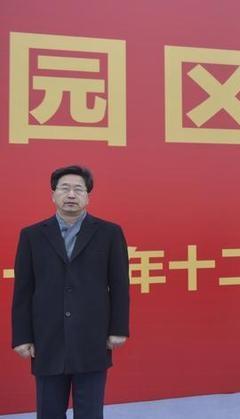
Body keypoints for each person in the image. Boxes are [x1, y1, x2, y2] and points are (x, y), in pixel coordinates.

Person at [12, 165, 130, 418]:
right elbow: (23, 290)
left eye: (78, 189)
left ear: (88, 196)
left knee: (90, 411)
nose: (71, 194)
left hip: (92, 336)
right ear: (53, 195)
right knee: (49, 411)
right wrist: (22, 336)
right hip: (47, 338)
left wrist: (118, 329)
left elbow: (120, 284)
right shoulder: (32, 235)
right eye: (64, 188)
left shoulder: (109, 233)